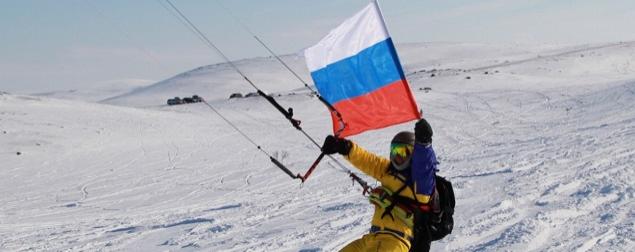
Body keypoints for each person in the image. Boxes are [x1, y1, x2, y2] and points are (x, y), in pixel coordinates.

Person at [322, 118, 439, 252]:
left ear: (413, 154)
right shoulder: (388, 170)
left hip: (395, 242)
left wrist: (424, 144)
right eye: (394, 151)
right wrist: (344, 147)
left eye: (402, 152)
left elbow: (425, 167)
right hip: (372, 238)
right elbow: (368, 160)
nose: (397, 157)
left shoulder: (420, 184)